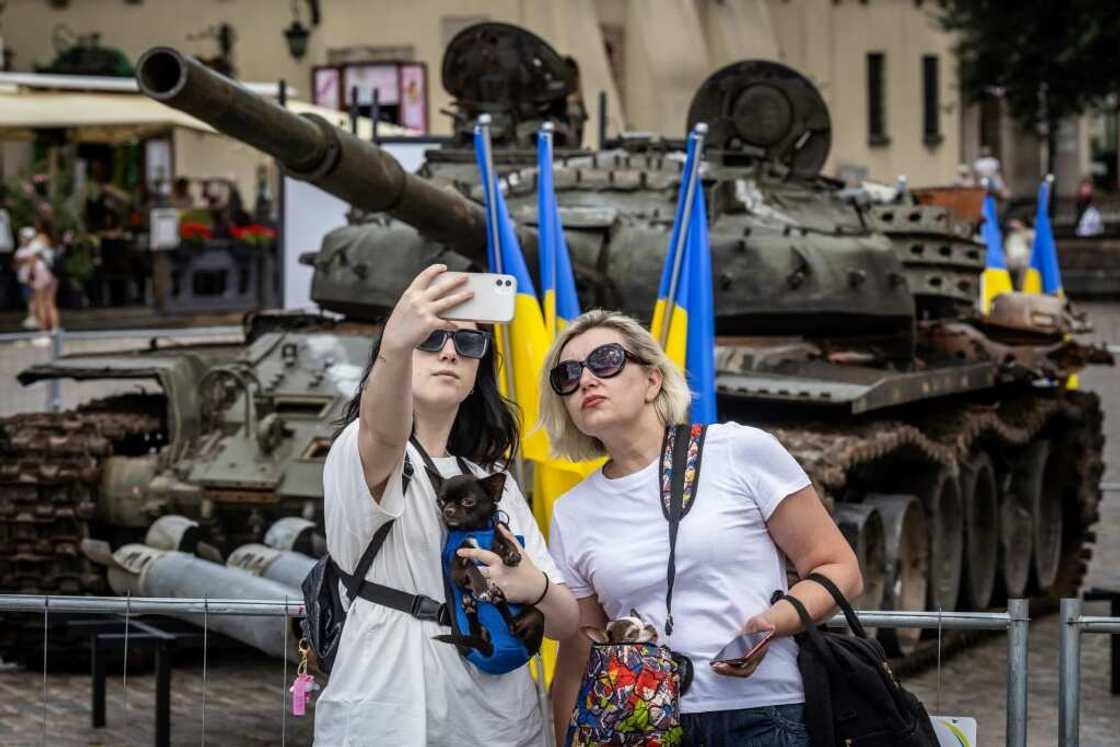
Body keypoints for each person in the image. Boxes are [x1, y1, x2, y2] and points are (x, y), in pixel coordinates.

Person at [541, 310, 863, 747]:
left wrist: (772, 623)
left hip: (761, 715)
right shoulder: (572, 511)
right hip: (637, 722)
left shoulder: (738, 450)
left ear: (653, 380)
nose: (587, 380)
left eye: (606, 360)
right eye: (568, 374)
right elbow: (580, 650)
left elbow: (839, 566)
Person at [316, 264, 580, 746]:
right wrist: (396, 342)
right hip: (393, 706)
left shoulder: (489, 481)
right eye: (431, 338)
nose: (451, 352)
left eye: (469, 343)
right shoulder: (361, 448)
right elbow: (384, 431)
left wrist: (532, 585)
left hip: (495, 719)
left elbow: (565, 623)